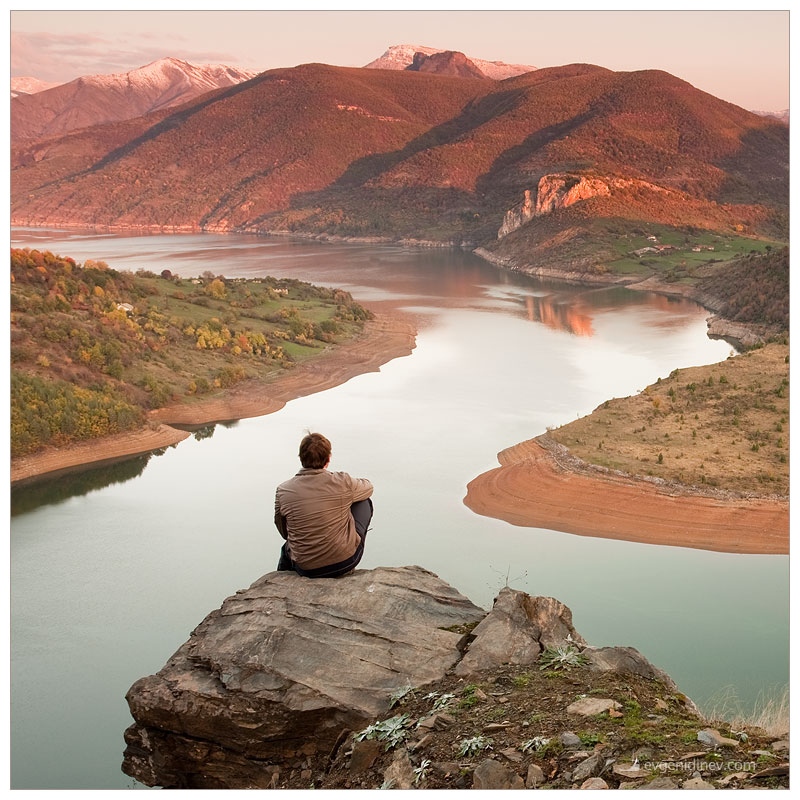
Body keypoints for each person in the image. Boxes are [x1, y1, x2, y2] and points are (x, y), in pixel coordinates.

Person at [274, 432, 373, 578]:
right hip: (344, 562)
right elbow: (369, 487)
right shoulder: (342, 481)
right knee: (364, 500)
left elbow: (284, 532)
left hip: (306, 568)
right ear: (328, 458)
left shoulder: (283, 491)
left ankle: (281, 578)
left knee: (287, 546)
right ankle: (345, 543)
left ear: (301, 458)